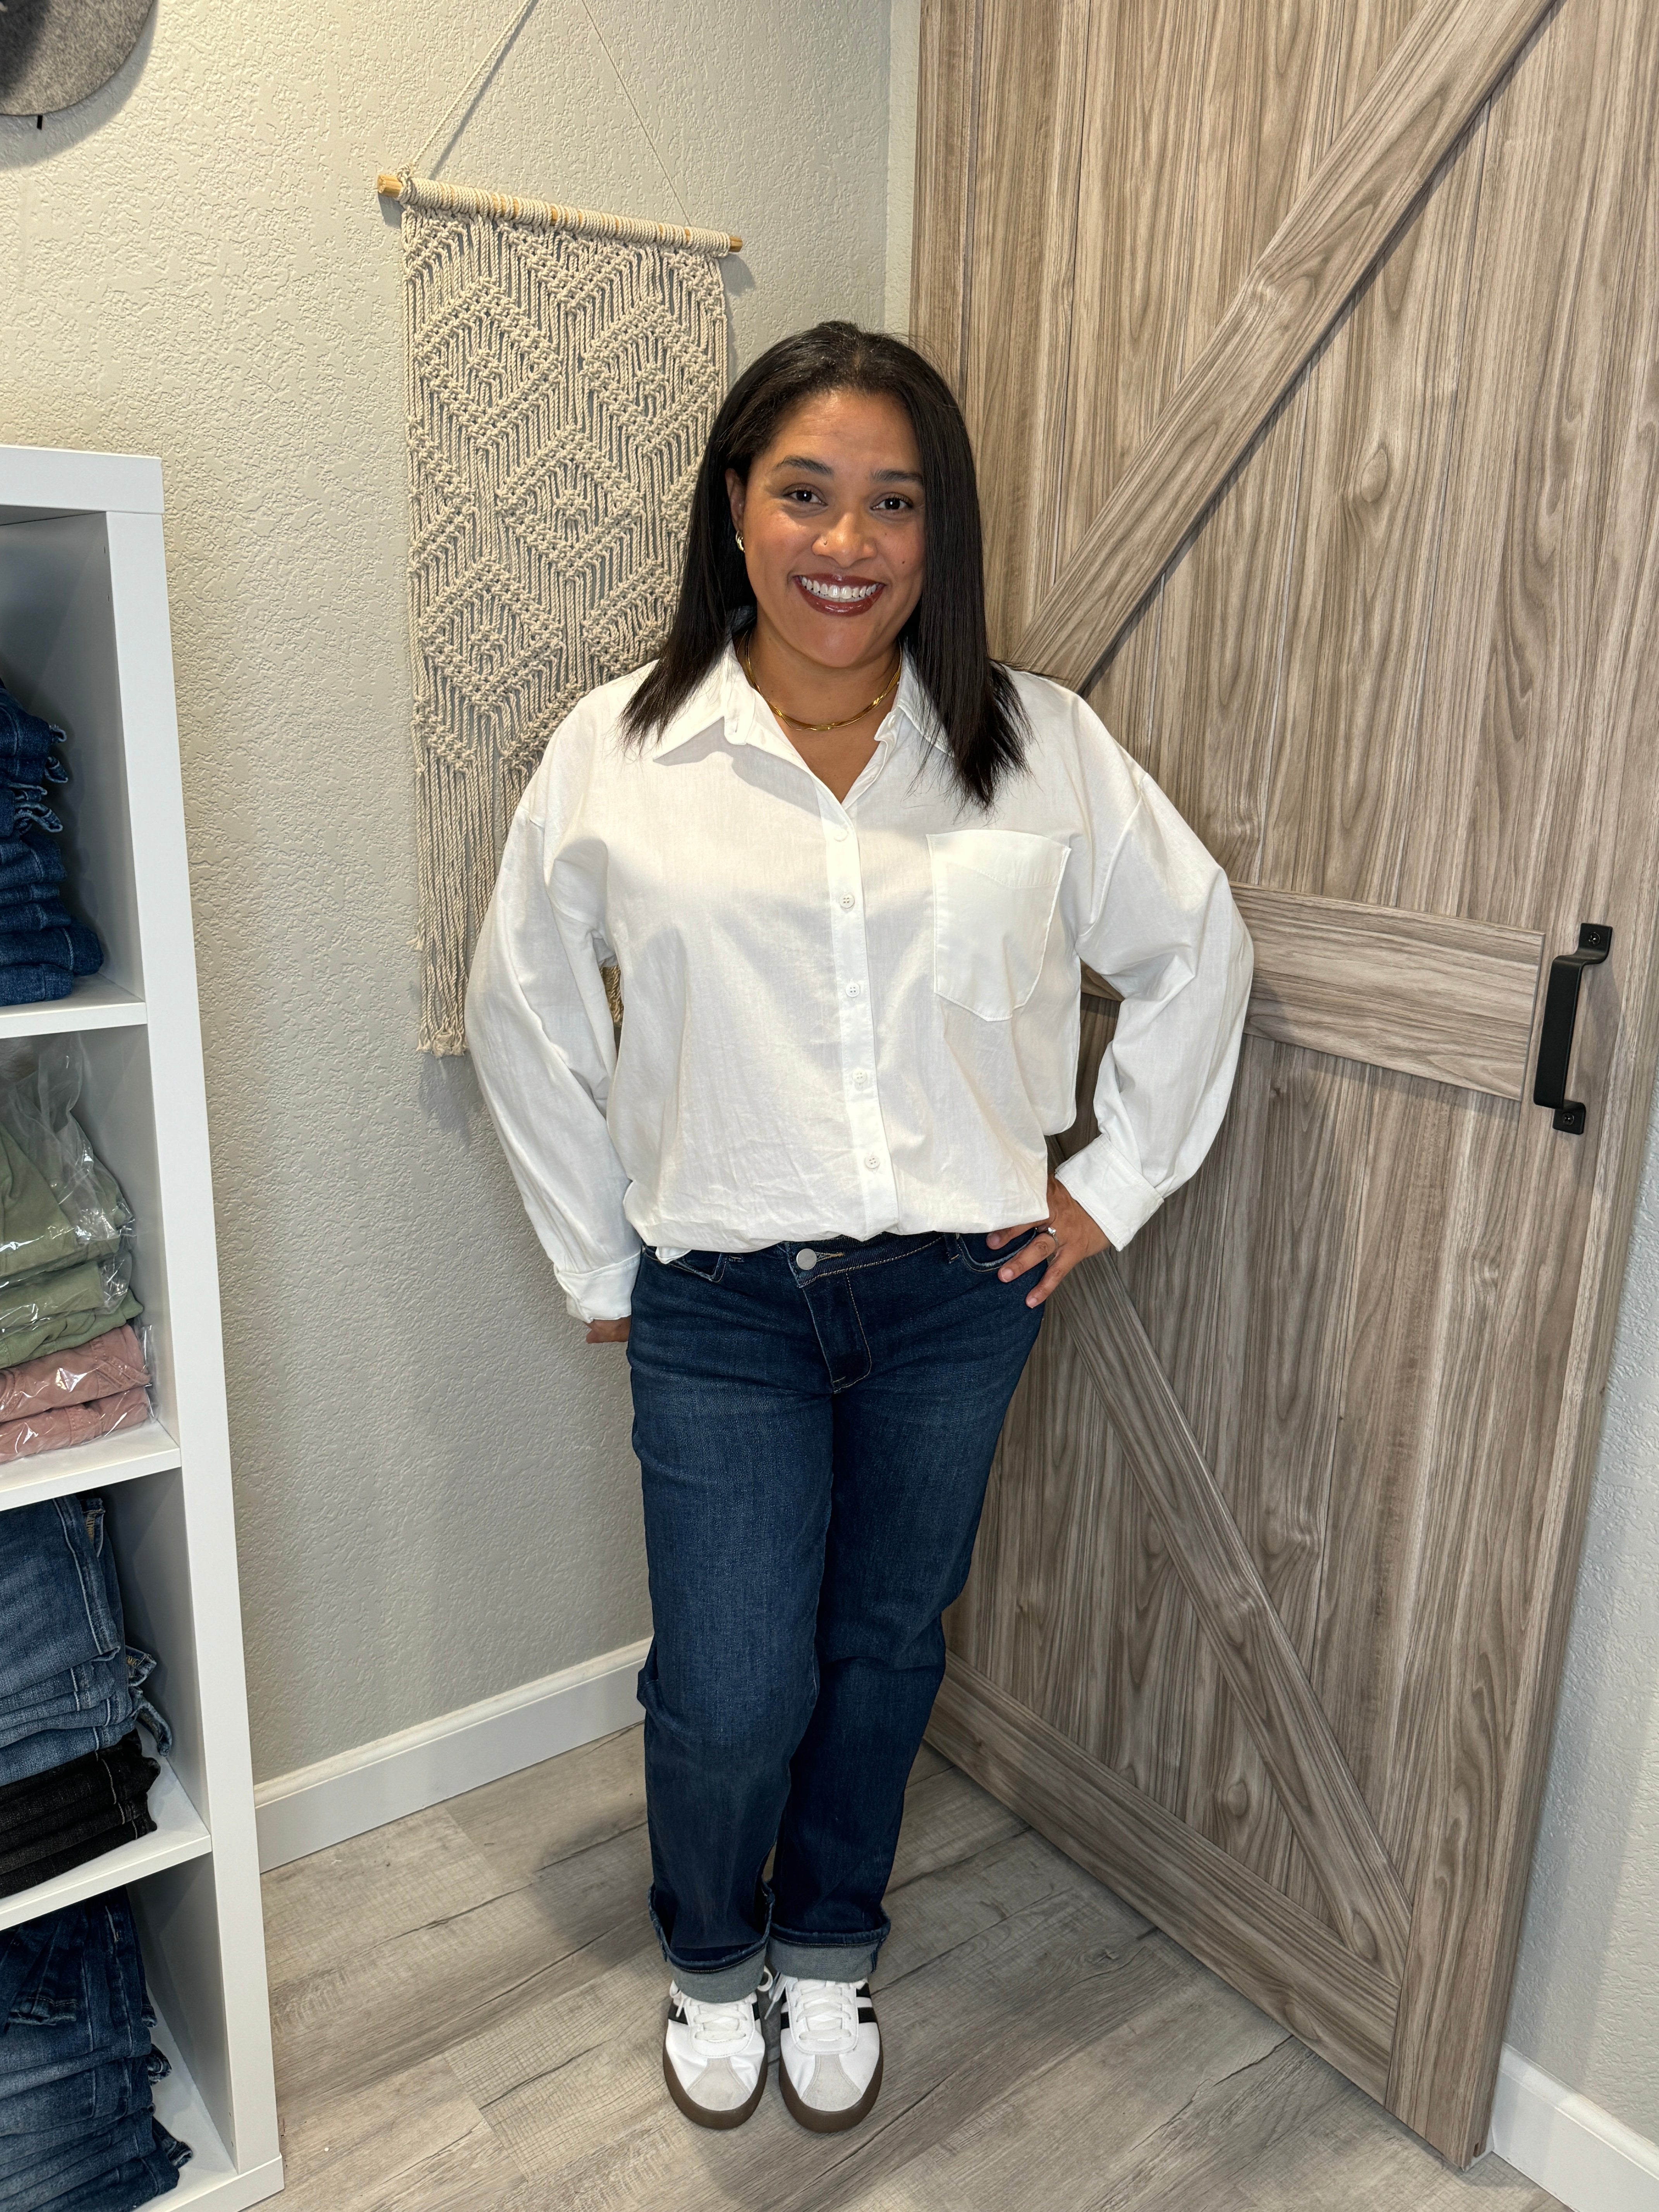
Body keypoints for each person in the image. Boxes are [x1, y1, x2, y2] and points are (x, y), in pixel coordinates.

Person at [467, 321, 1252, 2135]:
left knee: (888, 1648)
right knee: (735, 1685)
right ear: (734, 511)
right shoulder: (626, 750)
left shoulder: (1033, 745)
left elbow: (1194, 946)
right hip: (722, 1306)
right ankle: (706, 1950)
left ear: (938, 531)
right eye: (806, 491)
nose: (849, 539)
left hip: (958, 1300)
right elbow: (520, 1004)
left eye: (895, 502)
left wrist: (1106, 1186)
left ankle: (828, 1934)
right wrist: (603, 1257)